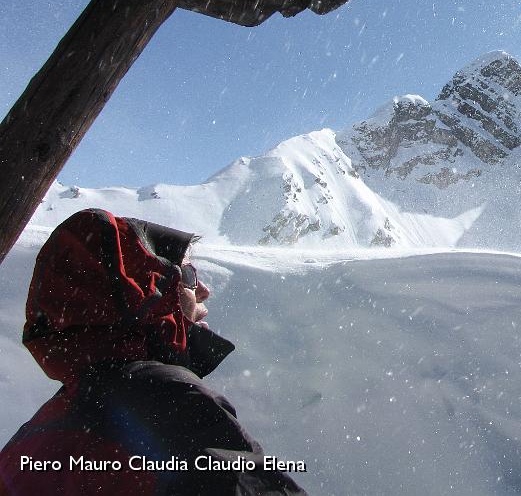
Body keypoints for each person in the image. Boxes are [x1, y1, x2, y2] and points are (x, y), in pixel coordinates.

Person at [0, 208, 306, 495]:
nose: (203, 290)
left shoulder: (49, 419)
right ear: (150, 290)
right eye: (187, 276)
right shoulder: (169, 399)